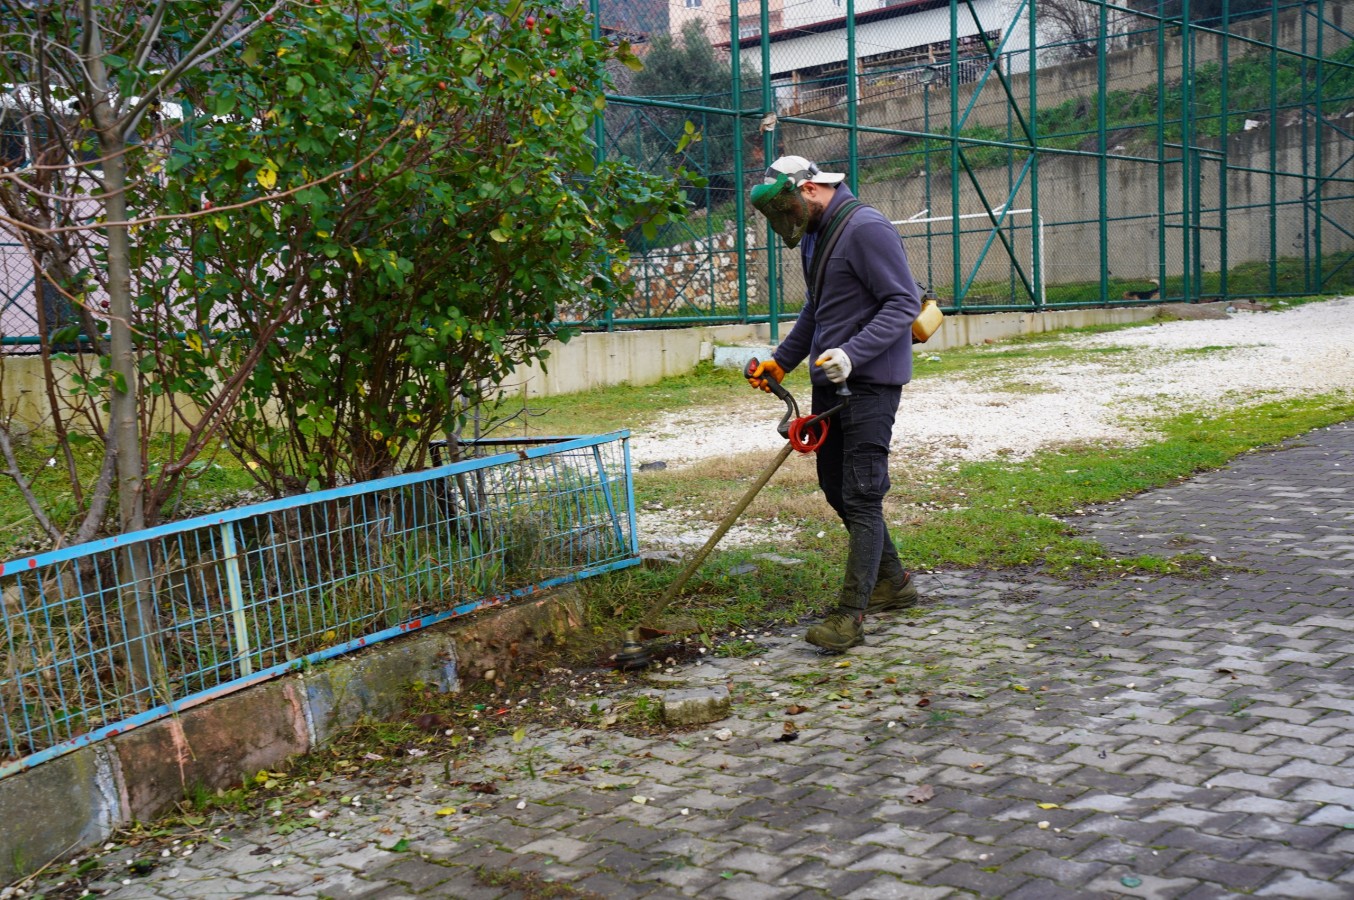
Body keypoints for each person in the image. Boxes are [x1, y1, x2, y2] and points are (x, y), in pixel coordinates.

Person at [747, 155, 923, 653]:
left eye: (787, 208)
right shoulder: (816, 233)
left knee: (862, 493)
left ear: (809, 189)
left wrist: (853, 353)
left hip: (870, 382)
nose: (787, 220)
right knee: (834, 486)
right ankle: (893, 583)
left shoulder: (867, 228)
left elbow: (903, 302)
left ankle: (850, 615)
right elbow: (817, 307)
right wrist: (782, 361)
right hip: (830, 381)